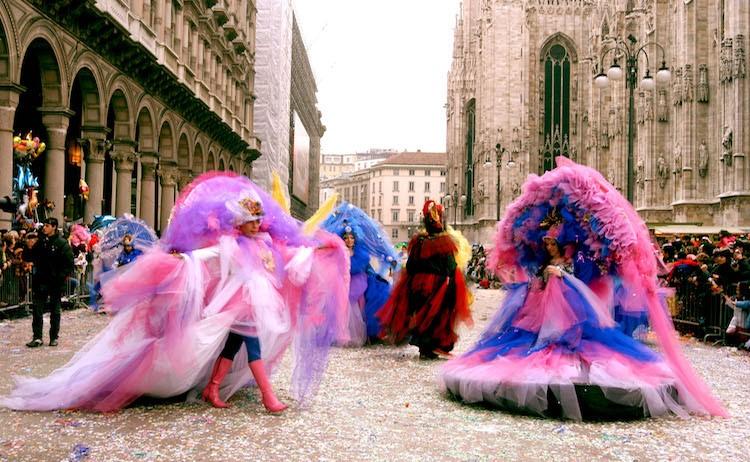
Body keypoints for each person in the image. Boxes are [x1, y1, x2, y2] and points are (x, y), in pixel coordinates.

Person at [0, 173, 349, 413]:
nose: (257, 225)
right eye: (251, 220)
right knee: (251, 343)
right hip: (235, 305)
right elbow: (204, 256)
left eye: (259, 220)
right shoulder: (229, 244)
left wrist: (318, 251)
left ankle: (213, 387)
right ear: (239, 222)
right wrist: (181, 257)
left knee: (233, 345)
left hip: (254, 305)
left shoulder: (266, 243)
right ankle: (267, 397)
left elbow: (288, 257)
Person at [439, 157, 727, 421]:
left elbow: (577, 278)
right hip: (541, 306)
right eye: (546, 244)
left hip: (564, 305)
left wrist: (558, 273)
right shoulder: (546, 257)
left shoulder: (570, 259)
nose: (548, 246)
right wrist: (544, 275)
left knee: (582, 343)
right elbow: (534, 277)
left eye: (552, 243)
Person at [377, 200, 473, 359]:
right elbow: (450, 266)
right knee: (437, 316)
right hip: (440, 284)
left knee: (422, 314)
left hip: (418, 284)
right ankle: (431, 347)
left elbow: (411, 264)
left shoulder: (418, 242)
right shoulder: (445, 242)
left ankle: (425, 347)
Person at [322, 202, 399, 346]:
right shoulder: (339, 252)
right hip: (344, 282)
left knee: (374, 295)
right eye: (346, 238)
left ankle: (371, 334)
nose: (349, 240)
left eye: (351, 238)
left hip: (359, 281)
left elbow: (363, 266)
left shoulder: (361, 253)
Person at [25, 217, 73, 347]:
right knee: (37, 309)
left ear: (53, 227)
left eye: (47, 225)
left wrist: (61, 277)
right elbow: (29, 257)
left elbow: (69, 264)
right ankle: (37, 337)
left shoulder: (62, 243)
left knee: (55, 310)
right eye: (44, 225)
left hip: (55, 283)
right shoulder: (40, 242)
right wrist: (28, 247)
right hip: (41, 281)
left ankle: (53, 337)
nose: (44, 228)